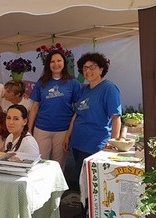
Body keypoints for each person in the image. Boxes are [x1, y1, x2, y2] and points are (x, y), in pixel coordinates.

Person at [64, 52, 121, 185]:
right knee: (81, 182)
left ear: (101, 69)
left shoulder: (109, 89)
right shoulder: (84, 90)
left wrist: (113, 142)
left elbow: (116, 118)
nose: (88, 71)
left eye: (92, 67)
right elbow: (76, 114)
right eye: (85, 68)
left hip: (95, 144)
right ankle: (84, 206)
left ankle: (88, 206)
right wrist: (67, 136)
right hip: (78, 143)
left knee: (92, 184)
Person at [27, 50, 81, 169]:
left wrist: (70, 132)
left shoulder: (73, 83)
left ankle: (57, 188)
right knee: (39, 165)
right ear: (48, 64)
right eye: (52, 61)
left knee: (58, 166)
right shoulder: (42, 82)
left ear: (64, 63)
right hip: (41, 129)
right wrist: (29, 129)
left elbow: (78, 109)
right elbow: (35, 107)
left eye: (59, 61)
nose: (56, 64)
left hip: (63, 131)